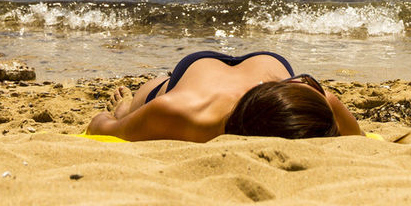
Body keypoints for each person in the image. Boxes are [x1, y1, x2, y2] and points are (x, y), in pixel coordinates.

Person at [85, 49, 363, 142]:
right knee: (138, 106)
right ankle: (128, 105)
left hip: (274, 78)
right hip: (194, 73)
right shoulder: (180, 112)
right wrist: (120, 116)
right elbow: (102, 126)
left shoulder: (316, 97)